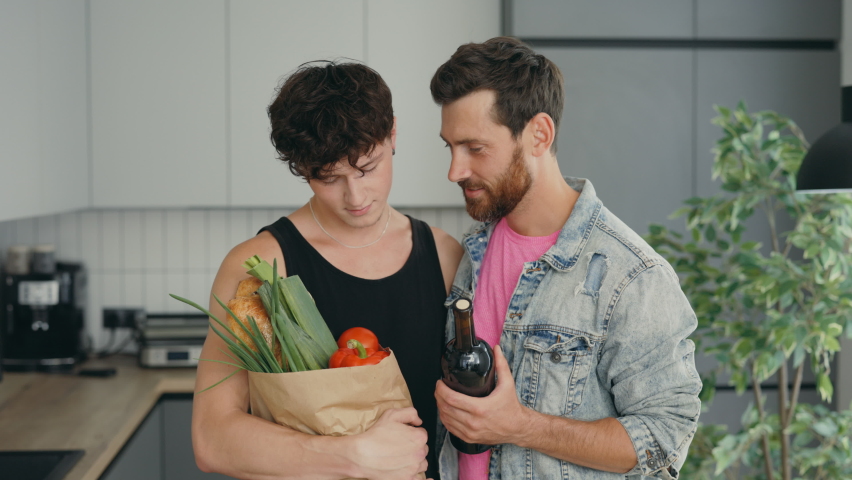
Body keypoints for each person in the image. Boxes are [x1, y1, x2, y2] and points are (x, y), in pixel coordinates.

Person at [430, 37, 701, 480]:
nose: (454, 171)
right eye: (450, 147)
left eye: (475, 149)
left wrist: (521, 426)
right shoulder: (470, 253)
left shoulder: (631, 275)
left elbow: (664, 437)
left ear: (539, 134)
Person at [192, 61, 463, 480]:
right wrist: (350, 456)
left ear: (393, 133)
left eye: (368, 168)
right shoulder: (261, 266)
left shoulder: (444, 257)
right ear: (302, 168)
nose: (355, 197)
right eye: (329, 178)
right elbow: (211, 439)